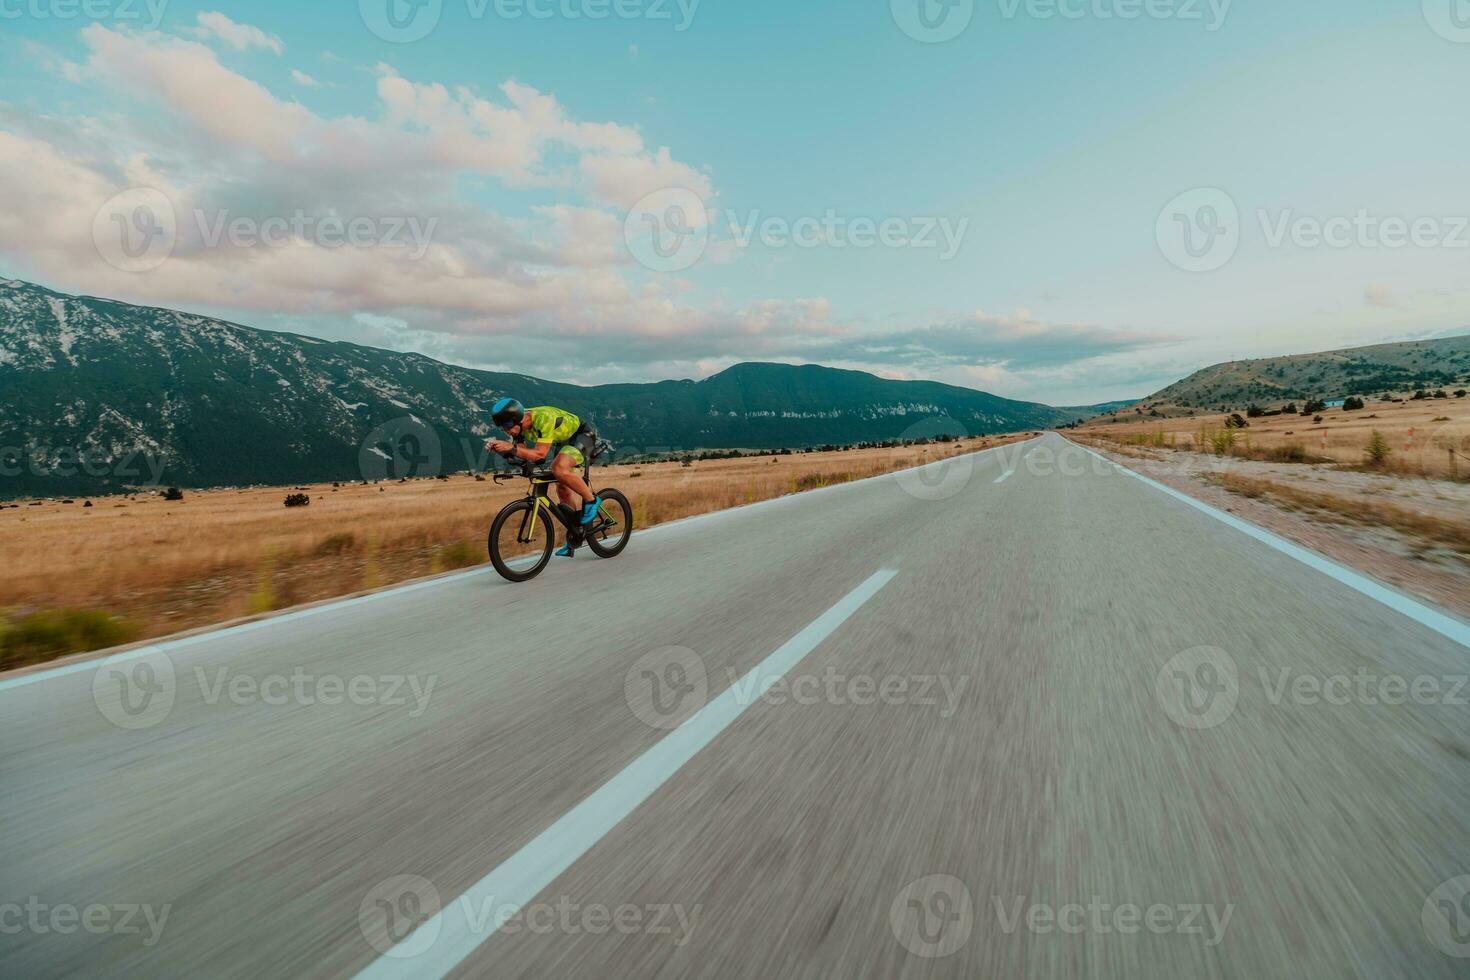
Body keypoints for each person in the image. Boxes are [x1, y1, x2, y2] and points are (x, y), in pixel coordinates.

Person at [485, 397, 601, 557]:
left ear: (518, 420)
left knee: (558, 468)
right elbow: (527, 457)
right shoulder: (517, 429)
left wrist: (511, 448)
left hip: (581, 436)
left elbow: (540, 454)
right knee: (561, 486)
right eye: (502, 428)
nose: (507, 431)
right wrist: (502, 450)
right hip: (562, 441)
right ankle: (577, 531)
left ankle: (592, 500)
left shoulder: (543, 418)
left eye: (507, 426)